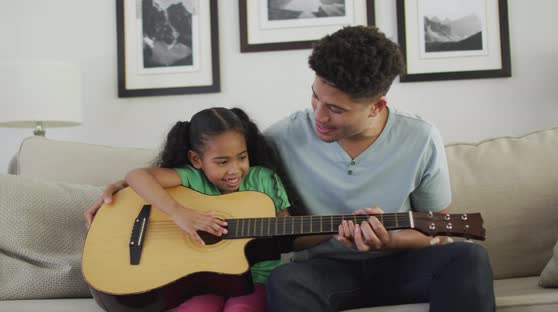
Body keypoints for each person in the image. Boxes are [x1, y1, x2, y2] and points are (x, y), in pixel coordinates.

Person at [86, 26, 495, 312]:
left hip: (397, 266)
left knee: (467, 259)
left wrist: (389, 241)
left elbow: (436, 228)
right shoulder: (281, 137)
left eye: (335, 109)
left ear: (376, 105)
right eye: (315, 97)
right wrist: (124, 191)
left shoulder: (420, 138)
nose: (318, 115)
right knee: (284, 283)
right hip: (320, 272)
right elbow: (209, 179)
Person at [87, 107, 292, 312]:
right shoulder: (191, 179)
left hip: (254, 280)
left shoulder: (263, 180)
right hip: (198, 284)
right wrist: (179, 213)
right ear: (196, 159)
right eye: (222, 162)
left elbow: (287, 233)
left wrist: (324, 234)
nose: (234, 169)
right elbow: (136, 176)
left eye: (242, 157)